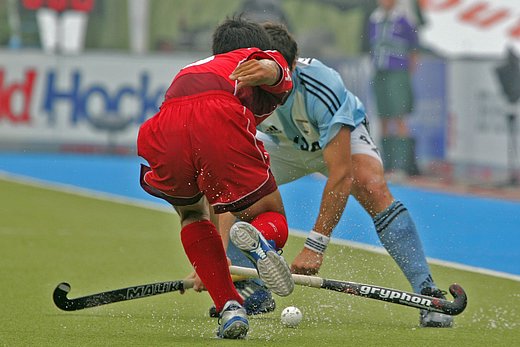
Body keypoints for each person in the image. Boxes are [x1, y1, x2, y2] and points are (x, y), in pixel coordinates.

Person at [215, 22, 453, 328]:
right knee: (236, 190)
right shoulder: (240, 87)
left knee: (372, 185)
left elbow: (341, 173)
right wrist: (216, 263)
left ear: (291, 68)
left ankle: (427, 292)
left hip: (337, 139)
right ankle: (253, 289)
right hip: (284, 145)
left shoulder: (322, 86)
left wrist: (316, 245)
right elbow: (223, 184)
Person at [137, 15, 295, 339]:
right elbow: (276, 67)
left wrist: (214, 266)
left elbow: (216, 198)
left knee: (192, 214)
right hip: (218, 115)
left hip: (164, 124)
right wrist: (274, 69)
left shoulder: (194, 68)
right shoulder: (253, 57)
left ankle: (229, 307)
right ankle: (263, 241)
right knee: (268, 213)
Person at [368, 0, 420, 176]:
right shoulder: (374, 19)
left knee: (399, 117)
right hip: (379, 71)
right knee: (382, 117)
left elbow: (414, 48)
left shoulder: (404, 20)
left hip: (398, 73)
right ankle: (386, 163)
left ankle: (401, 166)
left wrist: (407, 73)